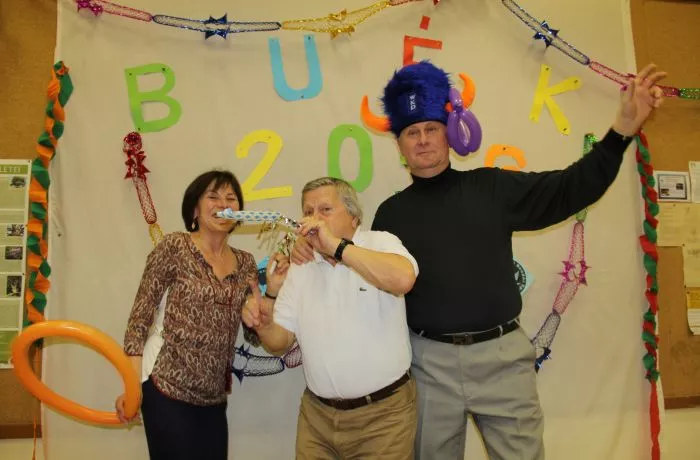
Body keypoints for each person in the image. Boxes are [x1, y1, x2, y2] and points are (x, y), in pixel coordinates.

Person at [292, 61, 667, 459]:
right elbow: (359, 271)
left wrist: (622, 130)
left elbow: (569, 189)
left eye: (432, 129)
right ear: (399, 146)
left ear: (449, 134)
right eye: (412, 133)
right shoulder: (390, 215)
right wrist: (308, 252)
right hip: (428, 364)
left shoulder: (492, 187)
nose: (423, 140)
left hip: (502, 358)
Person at [243, 177, 420, 459]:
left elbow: (403, 279)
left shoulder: (379, 242)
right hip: (318, 418)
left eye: (325, 210)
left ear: (353, 216)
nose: (314, 219)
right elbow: (281, 341)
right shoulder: (301, 266)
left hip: (384, 418)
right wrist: (265, 326)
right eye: (308, 211)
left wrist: (337, 247)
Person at [115, 169, 258, 460]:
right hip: (166, 386)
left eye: (231, 198)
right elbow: (139, 318)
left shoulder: (246, 263)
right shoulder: (175, 246)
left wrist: (266, 304)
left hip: (213, 397)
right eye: (213, 196)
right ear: (195, 208)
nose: (223, 203)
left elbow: (253, 334)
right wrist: (132, 385)